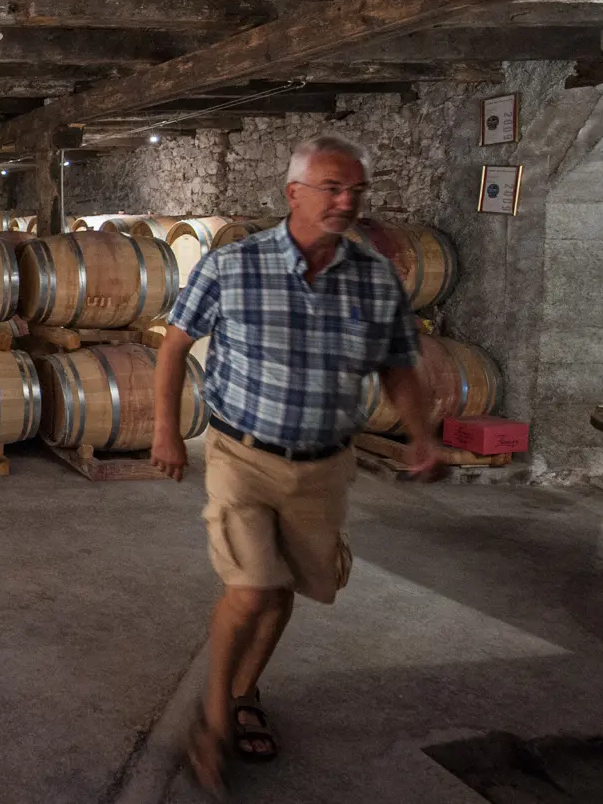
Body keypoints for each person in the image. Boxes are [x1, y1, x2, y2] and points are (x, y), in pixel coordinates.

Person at [149, 134, 439, 793]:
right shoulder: (233, 267)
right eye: (333, 188)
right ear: (294, 194)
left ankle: (246, 690)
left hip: (325, 464)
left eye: (356, 191)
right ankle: (216, 715)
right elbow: (173, 346)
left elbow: (398, 366)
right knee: (250, 589)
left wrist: (421, 435)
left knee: (286, 592)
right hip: (240, 453)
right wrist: (167, 429)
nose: (346, 201)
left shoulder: (374, 277)